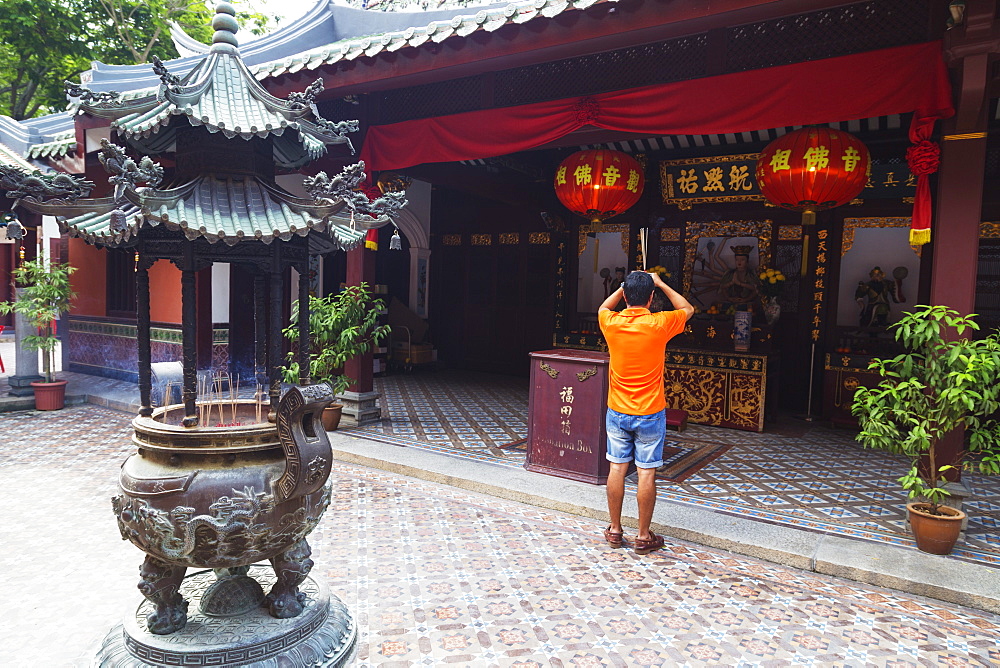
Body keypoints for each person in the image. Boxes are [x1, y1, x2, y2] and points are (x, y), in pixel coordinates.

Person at [597, 271, 694, 554]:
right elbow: (687, 309)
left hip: (617, 410)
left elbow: (603, 307)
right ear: (652, 298)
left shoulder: (611, 322)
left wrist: (622, 287)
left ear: (625, 296)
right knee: (646, 473)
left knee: (616, 467)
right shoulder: (659, 323)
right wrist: (662, 282)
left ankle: (615, 530)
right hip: (650, 411)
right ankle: (642, 535)